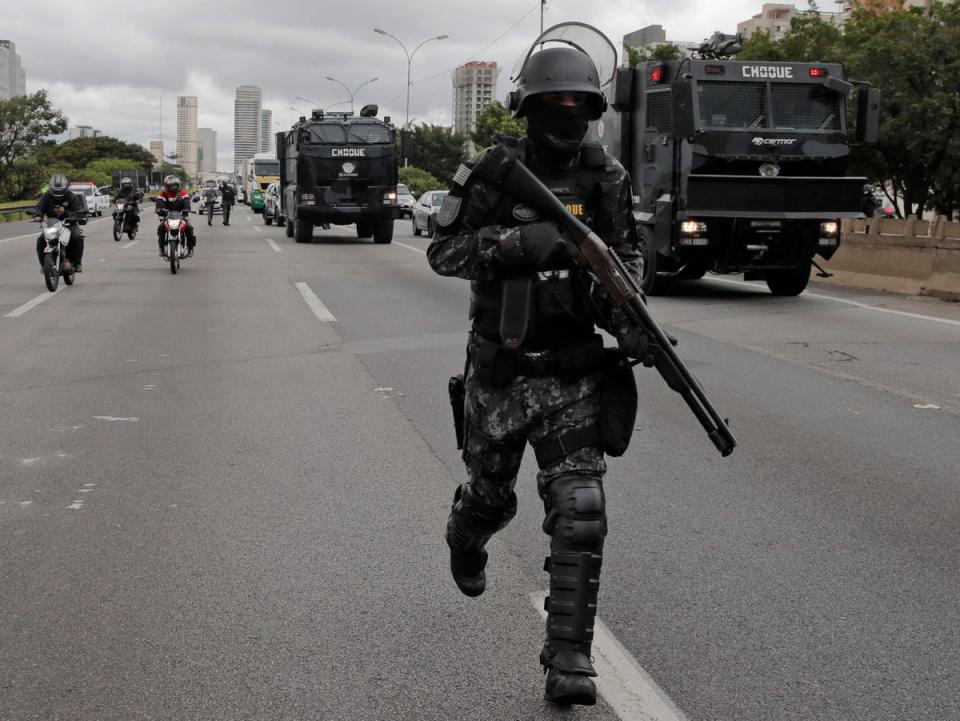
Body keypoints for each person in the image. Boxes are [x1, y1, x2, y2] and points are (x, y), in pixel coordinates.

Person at [427, 45, 647, 706]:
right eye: (556, 102)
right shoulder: (495, 172)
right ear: (529, 106)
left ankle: (569, 654)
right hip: (499, 371)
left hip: (572, 370)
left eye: (580, 103)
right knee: (491, 498)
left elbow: (627, 260)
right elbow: (442, 249)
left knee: (581, 507)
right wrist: (513, 245)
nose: (569, 113)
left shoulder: (605, 178)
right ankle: (465, 536)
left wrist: (629, 312)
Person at [33, 173, 87, 272]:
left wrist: (66, 212)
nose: (58, 193)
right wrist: (37, 215)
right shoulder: (47, 196)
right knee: (41, 240)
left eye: (61, 190)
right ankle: (44, 264)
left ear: (66, 188)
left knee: (76, 237)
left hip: (69, 224)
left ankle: (77, 263)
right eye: (56, 190)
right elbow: (39, 208)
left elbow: (79, 210)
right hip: (52, 224)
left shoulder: (71, 196)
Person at [155, 175, 196, 257]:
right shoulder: (163, 194)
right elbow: (159, 204)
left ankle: (190, 249)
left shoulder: (183, 193)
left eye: (174, 185)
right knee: (161, 228)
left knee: (189, 228)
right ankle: (161, 248)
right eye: (170, 186)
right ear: (166, 186)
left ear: (178, 185)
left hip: (181, 216)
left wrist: (186, 208)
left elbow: (186, 202)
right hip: (168, 216)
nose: (173, 187)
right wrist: (160, 209)